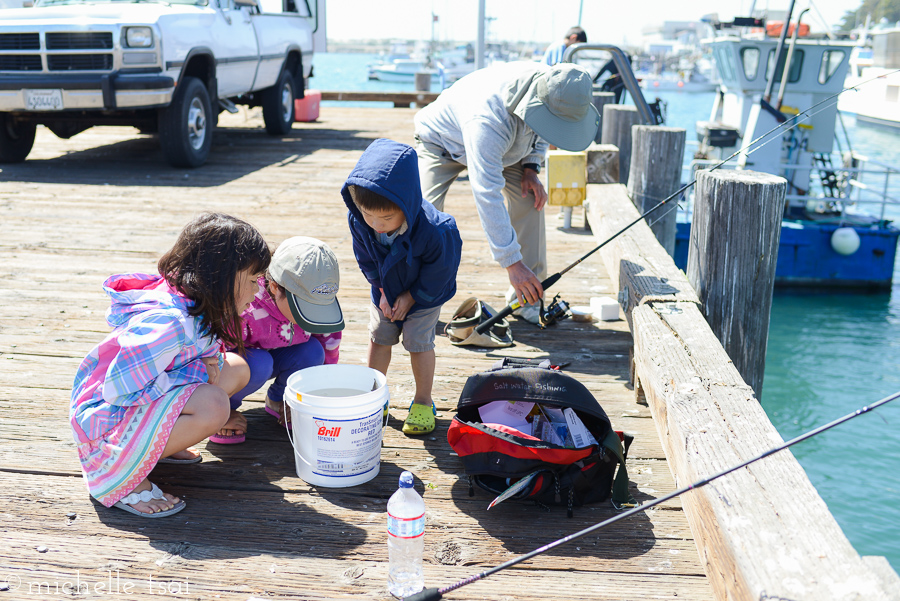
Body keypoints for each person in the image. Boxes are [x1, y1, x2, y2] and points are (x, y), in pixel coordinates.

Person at [70, 213, 270, 517]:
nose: (259, 290)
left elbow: (201, 350)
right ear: (223, 277)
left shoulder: (196, 304)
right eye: (254, 280)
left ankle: (158, 443)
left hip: (135, 402)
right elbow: (118, 390)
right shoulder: (168, 323)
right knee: (213, 405)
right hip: (104, 428)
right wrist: (196, 377)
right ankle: (123, 476)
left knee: (237, 368)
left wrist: (208, 362)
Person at [413, 61, 600, 323]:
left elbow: (547, 127)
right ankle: (416, 303)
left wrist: (531, 167)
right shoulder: (488, 120)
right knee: (424, 219)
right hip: (442, 141)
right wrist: (512, 263)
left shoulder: (555, 86)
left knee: (531, 198)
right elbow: (486, 192)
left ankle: (525, 300)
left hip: (511, 147)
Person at [342, 138, 462, 436]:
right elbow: (366, 259)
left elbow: (440, 272)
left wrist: (412, 297)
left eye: (386, 217)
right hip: (386, 289)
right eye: (369, 215)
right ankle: (374, 394)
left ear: (406, 205)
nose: (376, 225)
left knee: (417, 341)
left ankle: (423, 401)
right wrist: (381, 291)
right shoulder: (361, 221)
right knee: (380, 336)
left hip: (425, 295)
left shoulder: (437, 230)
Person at [220, 236, 344, 437]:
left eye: (319, 308)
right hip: (247, 363)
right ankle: (225, 409)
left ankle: (281, 399)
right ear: (275, 287)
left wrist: (309, 395)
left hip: (283, 354)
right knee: (260, 363)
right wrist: (214, 403)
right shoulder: (246, 307)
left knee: (313, 351)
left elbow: (328, 349)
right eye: (304, 308)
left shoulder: (319, 303)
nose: (314, 317)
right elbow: (215, 356)